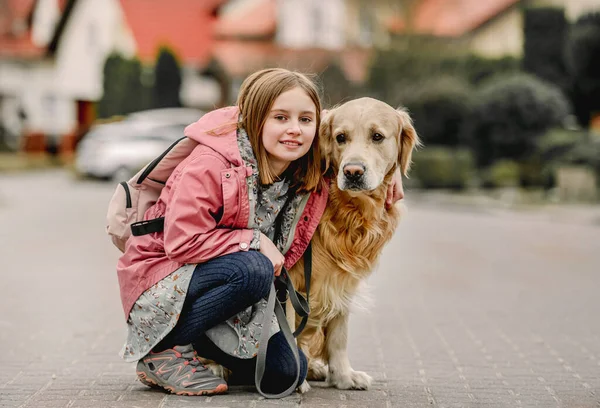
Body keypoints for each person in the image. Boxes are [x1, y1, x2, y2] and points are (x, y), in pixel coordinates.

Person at [116, 67, 405, 397]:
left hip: (233, 288)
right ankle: (163, 351)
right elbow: (182, 242)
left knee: (288, 374)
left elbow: (352, 133)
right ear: (256, 119)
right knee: (253, 268)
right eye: (280, 118)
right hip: (165, 282)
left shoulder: (302, 160)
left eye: (304, 120)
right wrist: (253, 240)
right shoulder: (211, 163)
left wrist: (386, 168)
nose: (294, 129)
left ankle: (219, 356)